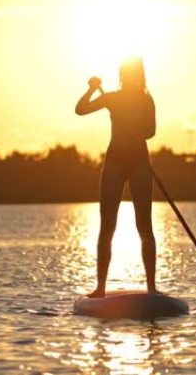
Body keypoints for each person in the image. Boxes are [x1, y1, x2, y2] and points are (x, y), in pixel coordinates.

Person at [75, 57, 157, 298]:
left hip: (140, 163)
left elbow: (151, 131)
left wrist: (132, 123)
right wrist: (91, 89)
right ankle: (100, 288)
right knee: (107, 226)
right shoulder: (111, 98)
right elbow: (81, 110)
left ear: (139, 75)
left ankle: (151, 288)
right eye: (127, 74)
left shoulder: (145, 99)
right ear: (123, 75)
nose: (130, 78)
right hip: (114, 163)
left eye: (134, 74)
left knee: (145, 226)